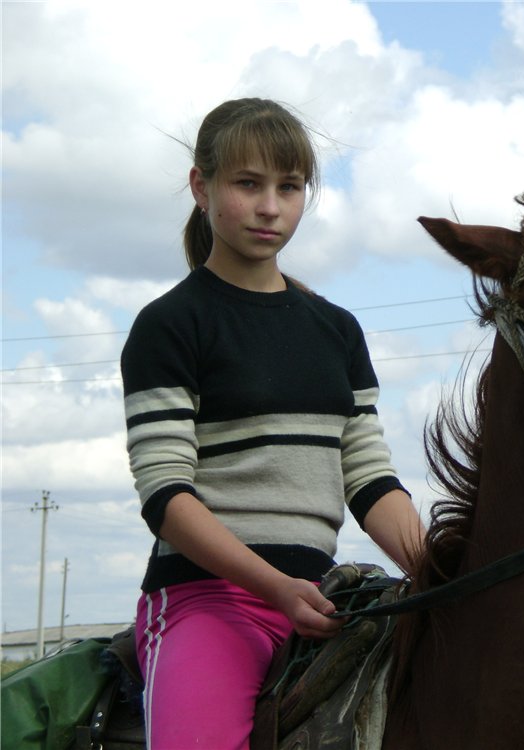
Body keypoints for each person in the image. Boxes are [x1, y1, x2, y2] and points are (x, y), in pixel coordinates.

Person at [120, 97, 425, 749]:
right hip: (206, 601)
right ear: (202, 188)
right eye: (248, 184)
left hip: (319, 600)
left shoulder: (336, 330)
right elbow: (166, 496)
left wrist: (439, 574)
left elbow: (370, 479)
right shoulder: (170, 325)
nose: (270, 207)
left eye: (289, 188)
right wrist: (275, 587)